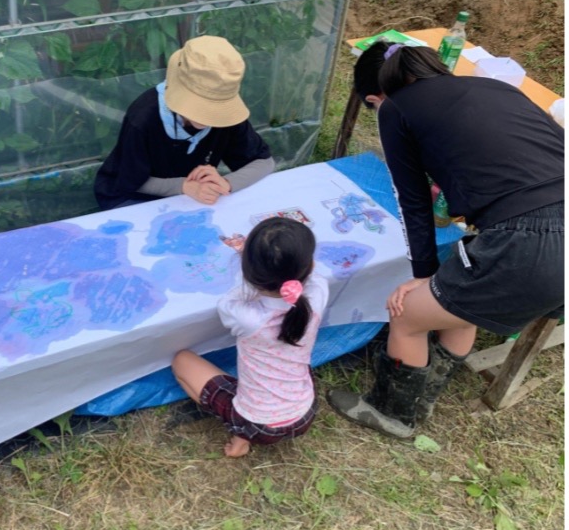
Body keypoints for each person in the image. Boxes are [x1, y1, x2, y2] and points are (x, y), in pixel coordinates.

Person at [328, 42, 564, 438]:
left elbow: (414, 201)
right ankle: (424, 390)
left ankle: (394, 412)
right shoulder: (496, 87)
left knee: (407, 313)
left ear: (374, 99)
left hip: (530, 240)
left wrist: (423, 275)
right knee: (458, 301)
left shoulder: (395, 109)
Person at [171, 217, 329, 457]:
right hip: (304, 412)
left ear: (246, 271)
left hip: (257, 425)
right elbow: (312, 277)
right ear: (310, 266)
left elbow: (228, 300)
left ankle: (240, 436)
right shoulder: (318, 295)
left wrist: (250, 264)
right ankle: (242, 434)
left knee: (181, 360)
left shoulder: (247, 317)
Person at [93, 35, 275, 210]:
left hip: (192, 197)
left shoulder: (226, 119)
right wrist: (184, 186)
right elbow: (129, 180)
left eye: (216, 107)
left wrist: (225, 182)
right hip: (133, 197)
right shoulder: (143, 118)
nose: (209, 117)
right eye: (202, 105)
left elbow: (264, 162)